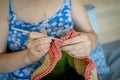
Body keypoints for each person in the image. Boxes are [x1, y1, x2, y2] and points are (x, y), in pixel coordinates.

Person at [0, 0, 109, 80]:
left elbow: (92, 36)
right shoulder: (5, 4)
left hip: (72, 73)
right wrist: (28, 57)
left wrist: (88, 42)